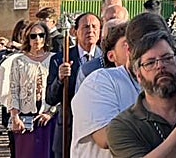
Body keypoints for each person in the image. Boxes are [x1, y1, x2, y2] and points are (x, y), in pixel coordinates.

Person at [106, 30, 176, 157]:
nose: (160, 66)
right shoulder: (123, 126)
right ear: (139, 75)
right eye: (150, 63)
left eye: (167, 58)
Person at [70, 13, 165, 158]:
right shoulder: (99, 82)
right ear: (129, 49)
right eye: (143, 45)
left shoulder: (163, 84)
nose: (150, 52)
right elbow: (107, 138)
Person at [48, 12, 102, 158]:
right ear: (75, 31)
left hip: (97, 131)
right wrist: (60, 79)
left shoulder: (106, 60)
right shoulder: (60, 58)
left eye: (94, 27)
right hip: (68, 128)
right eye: (85, 27)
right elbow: (50, 98)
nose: (90, 30)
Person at [9, 21, 58, 158]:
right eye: (33, 36)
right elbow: (13, 90)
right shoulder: (19, 61)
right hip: (25, 119)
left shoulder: (55, 59)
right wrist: (15, 117)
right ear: (27, 38)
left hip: (48, 117)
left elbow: (61, 90)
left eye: (41, 35)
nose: (38, 39)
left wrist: (51, 112)